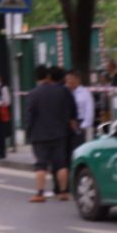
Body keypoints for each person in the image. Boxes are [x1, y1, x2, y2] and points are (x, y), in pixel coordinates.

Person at [24, 66, 77, 202]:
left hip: (39, 134)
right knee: (61, 164)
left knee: (41, 165)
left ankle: (40, 193)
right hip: (59, 133)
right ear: (47, 76)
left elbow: (29, 117)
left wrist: (28, 133)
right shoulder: (61, 91)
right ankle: (64, 192)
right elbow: (70, 111)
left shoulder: (33, 94)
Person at [66, 68, 95, 166]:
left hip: (80, 123)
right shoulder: (65, 91)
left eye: (71, 79)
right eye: (67, 79)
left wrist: (84, 125)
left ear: (77, 80)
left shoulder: (84, 92)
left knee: (78, 149)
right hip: (67, 124)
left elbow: (89, 109)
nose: (69, 81)